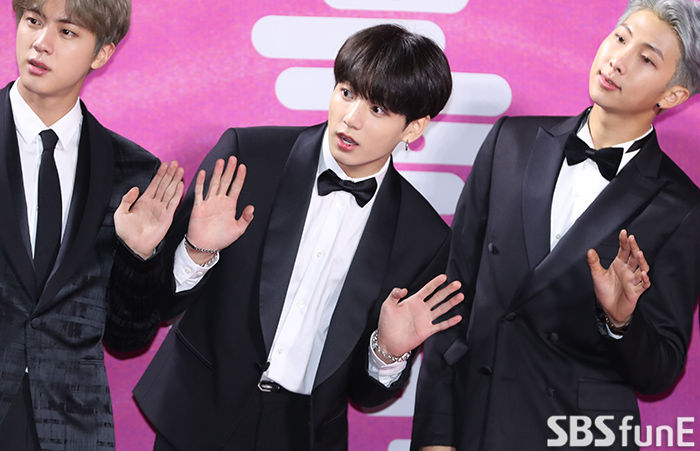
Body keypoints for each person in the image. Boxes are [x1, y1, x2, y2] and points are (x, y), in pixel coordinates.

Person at [119, 24, 462, 450]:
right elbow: (159, 306)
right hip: (199, 413)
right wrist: (197, 250)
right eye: (347, 92)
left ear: (413, 129)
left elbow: (368, 395)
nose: (351, 118)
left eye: (377, 110)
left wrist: (388, 352)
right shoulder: (247, 158)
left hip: (305, 433)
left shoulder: (424, 237)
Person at [412, 0, 700, 450]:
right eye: (620, 38)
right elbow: (451, 293)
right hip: (475, 421)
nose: (617, 61)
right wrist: (435, 435)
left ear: (673, 96)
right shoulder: (511, 141)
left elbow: (661, 370)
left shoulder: (680, 207)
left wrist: (621, 321)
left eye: (646, 58)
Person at [0, 0, 183, 449]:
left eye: (66, 32)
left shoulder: (135, 174)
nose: (40, 43)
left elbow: (128, 338)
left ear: (101, 54)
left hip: (71, 428)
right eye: (33, 21)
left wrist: (139, 257)